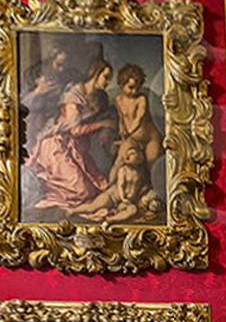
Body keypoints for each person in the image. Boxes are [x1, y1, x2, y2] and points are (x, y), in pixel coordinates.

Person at [26, 60, 117, 214]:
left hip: (76, 148)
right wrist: (102, 124)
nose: (107, 82)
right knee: (83, 193)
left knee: (95, 191)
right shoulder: (73, 95)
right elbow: (75, 130)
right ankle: (45, 182)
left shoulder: (99, 98)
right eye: (106, 77)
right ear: (96, 74)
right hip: (56, 144)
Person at [69, 138, 157, 223]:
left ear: (140, 157)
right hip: (112, 197)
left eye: (132, 154)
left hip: (125, 202)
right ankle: (74, 210)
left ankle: (111, 219)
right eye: (127, 155)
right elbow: (120, 185)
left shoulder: (140, 174)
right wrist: (123, 198)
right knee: (92, 207)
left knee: (132, 210)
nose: (128, 156)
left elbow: (139, 188)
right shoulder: (123, 170)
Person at [114, 64, 164, 166]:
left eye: (137, 88)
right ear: (122, 84)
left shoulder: (141, 99)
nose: (134, 91)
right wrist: (122, 131)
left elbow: (138, 119)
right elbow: (121, 118)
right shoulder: (119, 100)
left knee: (152, 162)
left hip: (150, 138)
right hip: (132, 139)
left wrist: (128, 135)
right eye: (131, 87)